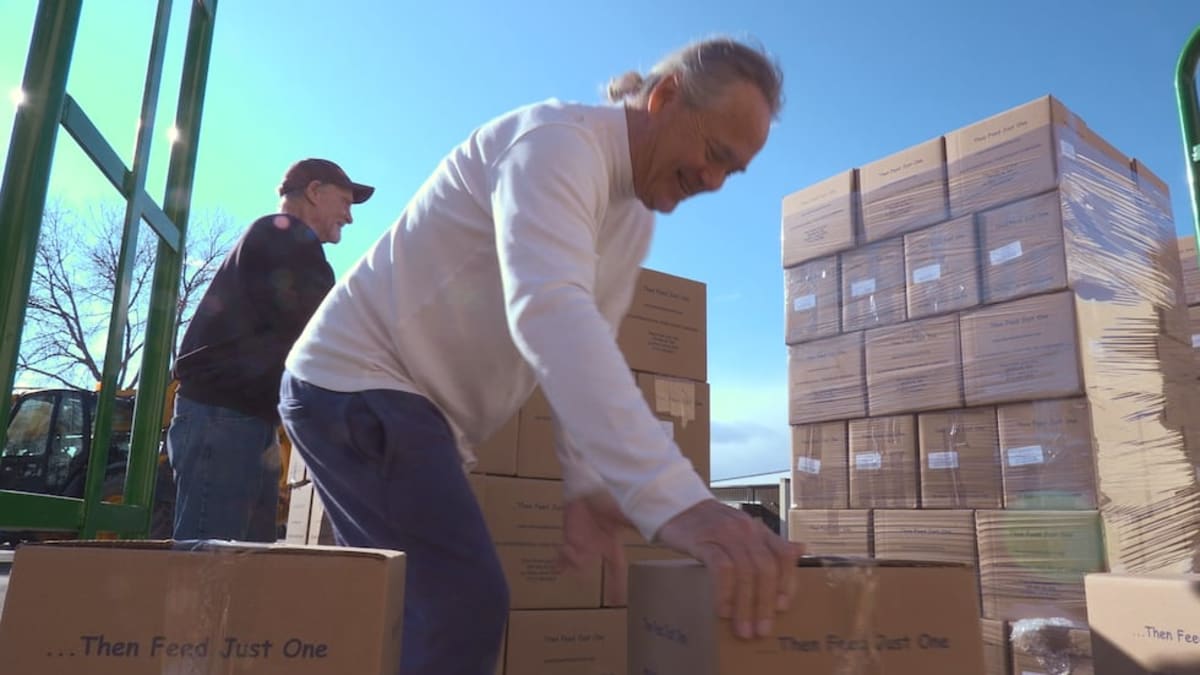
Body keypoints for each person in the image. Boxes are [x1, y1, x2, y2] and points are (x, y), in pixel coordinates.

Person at [278, 37, 802, 674]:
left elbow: (591, 339)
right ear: (664, 98)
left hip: (408, 406)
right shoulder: (556, 144)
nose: (715, 181)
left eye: (734, 171)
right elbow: (550, 312)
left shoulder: (633, 217)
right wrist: (675, 501)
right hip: (358, 382)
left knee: (409, 608)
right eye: (715, 153)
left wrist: (587, 486)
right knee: (460, 602)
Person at [167, 158, 374, 542]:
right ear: (315, 192)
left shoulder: (280, 244)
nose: (349, 217)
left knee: (246, 562)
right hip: (223, 418)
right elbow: (326, 335)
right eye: (344, 203)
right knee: (212, 563)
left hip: (242, 420)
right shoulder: (285, 237)